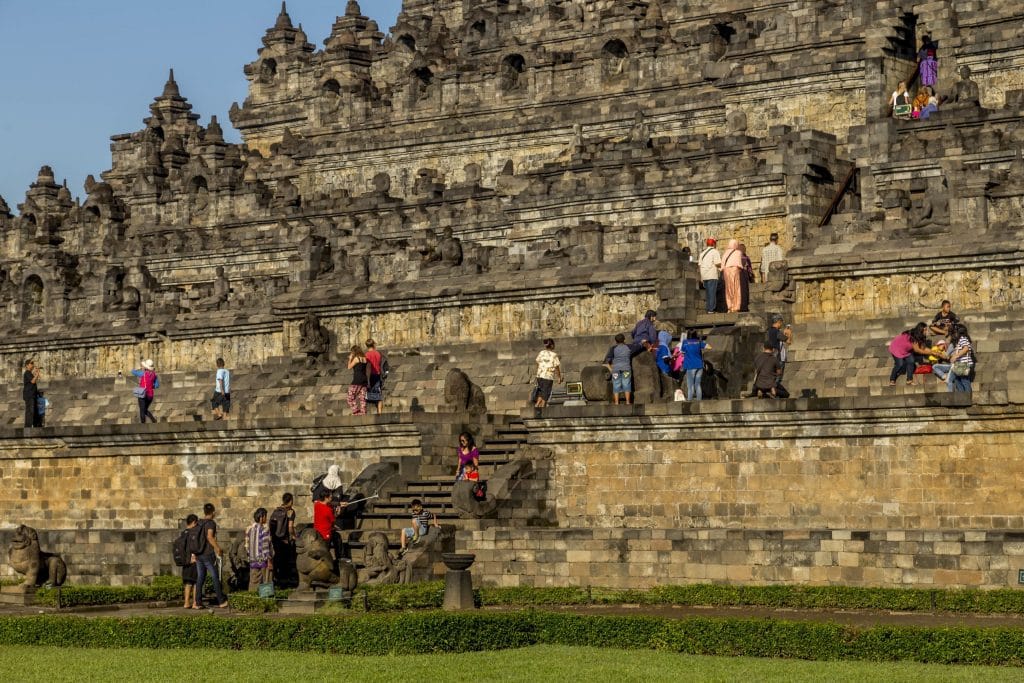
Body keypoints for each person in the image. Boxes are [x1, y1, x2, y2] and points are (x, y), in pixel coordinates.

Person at [192, 502, 229, 609]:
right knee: (215, 577)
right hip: (208, 554)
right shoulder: (210, 523)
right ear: (213, 512)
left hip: (199, 554)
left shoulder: (199, 523)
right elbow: (209, 537)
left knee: (200, 578)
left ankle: (197, 602)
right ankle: (221, 601)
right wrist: (217, 548)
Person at [269, 493, 297, 588]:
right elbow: (290, 527)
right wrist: (293, 536)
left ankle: (277, 581)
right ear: (290, 501)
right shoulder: (290, 512)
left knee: (277, 561)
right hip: (284, 541)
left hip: (275, 540)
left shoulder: (276, 511)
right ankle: (285, 583)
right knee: (286, 562)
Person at [245, 508, 274, 593]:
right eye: (265, 516)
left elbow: (247, 546)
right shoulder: (265, 529)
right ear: (261, 517)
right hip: (264, 561)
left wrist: (251, 557)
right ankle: (265, 601)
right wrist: (269, 560)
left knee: (254, 582)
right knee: (266, 582)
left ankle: (252, 600)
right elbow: (265, 546)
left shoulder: (249, 529)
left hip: (253, 561)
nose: (266, 518)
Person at [603, 333, 633, 405]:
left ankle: (616, 402)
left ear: (616, 341)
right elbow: (639, 346)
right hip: (626, 369)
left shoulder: (613, 348)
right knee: (626, 384)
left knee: (616, 385)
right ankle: (628, 402)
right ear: (624, 340)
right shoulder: (629, 347)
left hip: (616, 370)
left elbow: (608, 360)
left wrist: (611, 368)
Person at [681, 330, 709, 401]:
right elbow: (709, 347)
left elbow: (682, 352)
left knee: (690, 385)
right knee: (698, 384)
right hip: (699, 365)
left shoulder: (685, 342)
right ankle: (699, 400)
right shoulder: (699, 342)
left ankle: (690, 400)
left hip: (690, 366)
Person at [534, 338, 562, 410]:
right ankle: (543, 409)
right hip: (548, 377)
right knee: (545, 394)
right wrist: (559, 377)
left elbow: (537, 362)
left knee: (541, 392)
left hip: (539, 376)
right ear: (552, 345)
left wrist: (538, 372)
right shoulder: (554, 355)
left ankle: (536, 406)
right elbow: (557, 367)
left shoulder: (541, 352)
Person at [947, 325, 976, 393]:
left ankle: (967, 397)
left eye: (954, 333)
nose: (953, 335)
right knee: (957, 379)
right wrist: (953, 357)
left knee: (964, 380)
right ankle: (962, 396)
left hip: (964, 363)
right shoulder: (960, 340)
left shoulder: (963, 338)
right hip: (959, 364)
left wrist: (956, 356)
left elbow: (966, 348)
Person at [131, 359, 159, 423]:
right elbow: (157, 385)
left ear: (146, 367)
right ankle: (153, 420)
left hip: (142, 393)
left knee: (142, 410)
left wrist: (138, 368)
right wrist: (151, 385)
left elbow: (133, 371)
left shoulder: (142, 373)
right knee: (145, 409)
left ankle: (143, 425)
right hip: (150, 396)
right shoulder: (154, 375)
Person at [698, 239, 722, 313]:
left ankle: (708, 309)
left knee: (708, 293)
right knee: (712, 293)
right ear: (714, 244)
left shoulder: (702, 253)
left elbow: (699, 265)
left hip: (704, 276)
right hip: (712, 275)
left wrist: (701, 276)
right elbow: (717, 263)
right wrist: (723, 264)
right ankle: (711, 309)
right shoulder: (715, 252)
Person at [181, 514, 199, 609]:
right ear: (193, 522)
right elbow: (194, 547)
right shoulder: (193, 534)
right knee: (196, 582)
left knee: (188, 582)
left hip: (185, 562)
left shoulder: (183, 533)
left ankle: (186, 602)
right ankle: (195, 603)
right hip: (193, 560)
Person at [721, 239, 744, 313]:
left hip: (726, 271)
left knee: (728, 289)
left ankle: (729, 307)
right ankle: (736, 307)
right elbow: (739, 264)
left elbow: (722, 265)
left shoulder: (725, 253)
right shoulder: (738, 252)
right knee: (736, 288)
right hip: (734, 270)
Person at [364, 338, 384, 415]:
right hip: (377, 375)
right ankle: (379, 412)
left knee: (366, 395)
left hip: (369, 375)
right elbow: (379, 364)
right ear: (373, 344)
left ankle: (365, 412)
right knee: (379, 395)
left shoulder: (366, 355)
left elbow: (367, 367)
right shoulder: (378, 354)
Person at [347, 345, 368, 415]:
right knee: (362, 399)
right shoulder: (365, 358)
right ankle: (363, 413)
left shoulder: (356, 359)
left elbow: (349, 367)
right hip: (364, 380)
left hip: (357, 380)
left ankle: (356, 412)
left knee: (350, 398)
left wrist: (350, 359)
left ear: (354, 352)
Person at [22, 359, 39, 429]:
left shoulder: (30, 373)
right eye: (31, 363)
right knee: (30, 410)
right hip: (29, 395)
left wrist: (35, 373)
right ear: (27, 365)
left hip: (32, 394)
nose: (33, 365)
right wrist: (37, 374)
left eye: (33, 363)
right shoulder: (27, 373)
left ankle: (31, 425)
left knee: (32, 410)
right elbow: (33, 381)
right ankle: (28, 426)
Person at [738, 243, 754, 312]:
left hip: (737, 277)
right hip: (744, 277)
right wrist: (751, 276)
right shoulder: (746, 258)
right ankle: (744, 307)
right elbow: (749, 269)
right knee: (744, 292)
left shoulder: (735, 257)